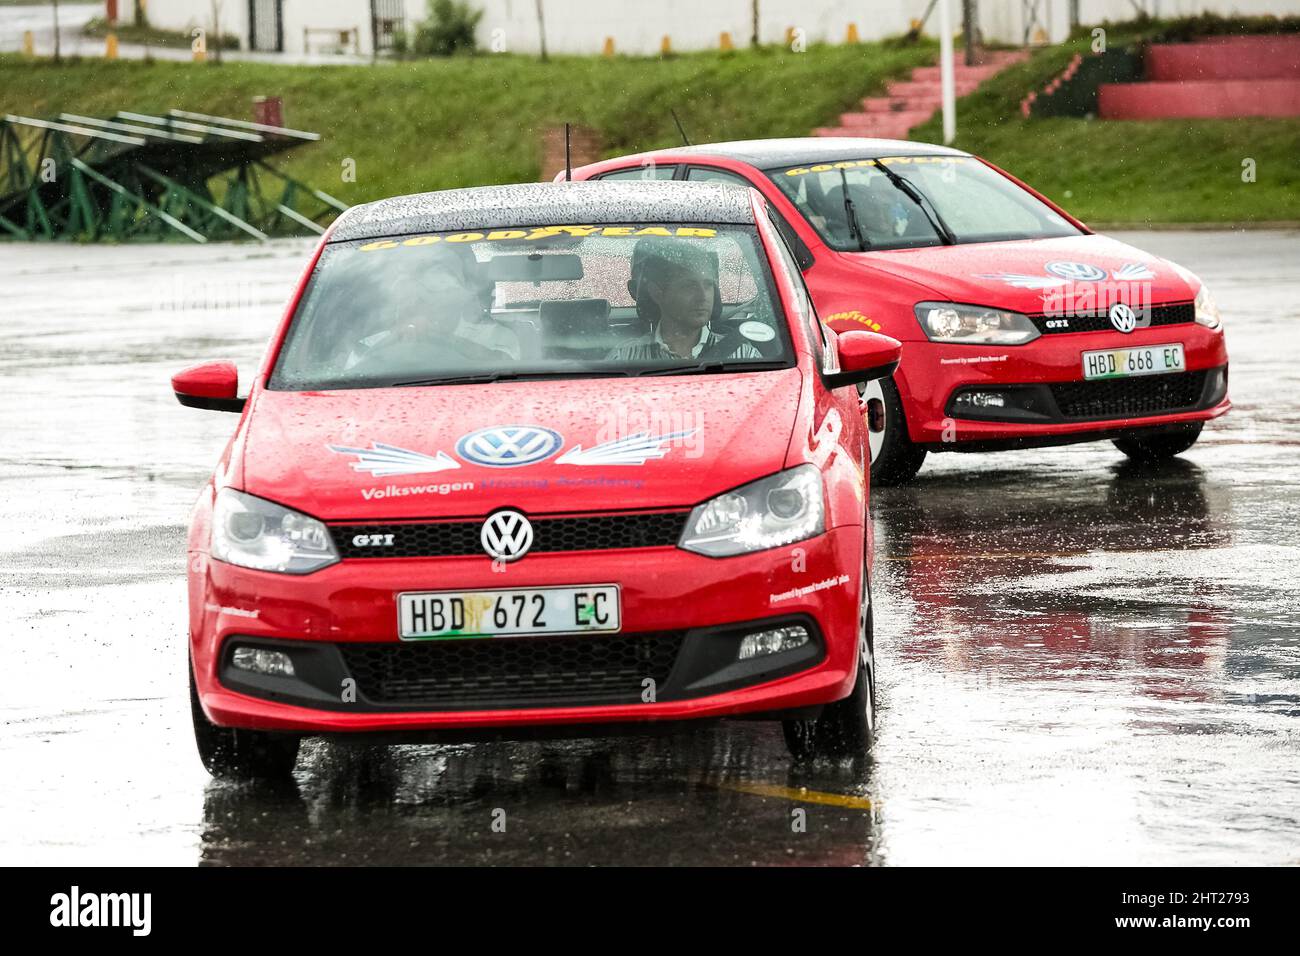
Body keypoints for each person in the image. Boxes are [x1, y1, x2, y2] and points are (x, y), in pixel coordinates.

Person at [345, 244, 519, 374]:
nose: (423, 297)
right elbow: (350, 381)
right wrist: (394, 340)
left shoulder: (495, 337)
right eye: (415, 287)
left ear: (461, 295)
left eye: (440, 287)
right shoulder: (368, 345)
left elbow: (507, 377)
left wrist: (437, 338)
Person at [609, 237, 762, 363]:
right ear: (657, 293)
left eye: (708, 285)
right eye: (690, 286)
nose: (703, 296)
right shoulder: (623, 357)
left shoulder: (744, 355)